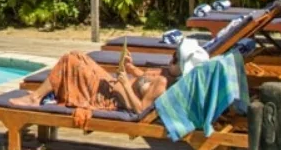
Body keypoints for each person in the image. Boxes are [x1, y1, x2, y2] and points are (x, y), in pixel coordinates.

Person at [9, 50, 179, 118]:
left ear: (182, 67)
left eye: (176, 59)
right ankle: (38, 95)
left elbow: (140, 110)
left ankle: (35, 97)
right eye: (174, 55)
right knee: (77, 55)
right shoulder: (165, 72)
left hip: (110, 97)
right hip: (114, 84)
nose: (172, 59)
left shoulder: (163, 85)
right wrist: (130, 67)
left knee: (70, 60)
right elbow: (143, 78)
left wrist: (126, 84)